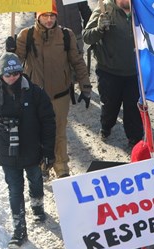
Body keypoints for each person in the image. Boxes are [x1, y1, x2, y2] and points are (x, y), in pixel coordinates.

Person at [0, 53, 56, 248]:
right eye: (8, 74)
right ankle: (19, 228)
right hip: (8, 152)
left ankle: (37, 206)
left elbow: (48, 121)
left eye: (16, 73)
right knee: (14, 190)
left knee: (36, 179)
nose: (12, 77)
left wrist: (48, 151)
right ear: (0, 75)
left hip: (32, 150)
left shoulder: (35, 92)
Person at [7, 2, 92, 179]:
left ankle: (61, 168)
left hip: (60, 95)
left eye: (52, 16)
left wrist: (85, 86)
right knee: (38, 132)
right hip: (36, 96)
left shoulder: (66, 35)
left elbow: (78, 62)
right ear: (37, 16)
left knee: (59, 132)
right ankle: (42, 165)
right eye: (45, 15)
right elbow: (16, 63)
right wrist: (10, 51)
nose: (49, 19)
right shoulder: (27, 35)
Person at [83, 0, 145, 148]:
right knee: (110, 106)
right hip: (109, 72)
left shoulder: (142, 10)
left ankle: (135, 139)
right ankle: (106, 126)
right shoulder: (105, 9)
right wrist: (99, 28)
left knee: (133, 109)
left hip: (134, 72)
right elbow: (86, 36)